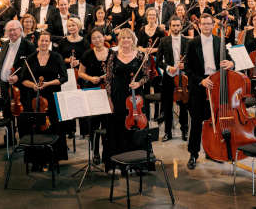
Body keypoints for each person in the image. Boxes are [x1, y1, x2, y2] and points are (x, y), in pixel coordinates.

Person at [185, 13, 233, 169]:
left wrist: (231, 63)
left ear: (213, 25)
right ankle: (193, 154)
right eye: (203, 24)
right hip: (200, 84)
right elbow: (187, 68)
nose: (206, 26)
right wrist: (201, 80)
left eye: (209, 24)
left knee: (214, 120)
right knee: (197, 121)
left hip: (217, 83)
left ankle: (211, 151)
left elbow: (231, 59)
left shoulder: (220, 41)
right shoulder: (193, 44)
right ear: (199, 26)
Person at [20, 32, 69, 169]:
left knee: (53, 127)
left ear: (50, 43)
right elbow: (23, 79)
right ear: (38, 42)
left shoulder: (56, 57)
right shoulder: (30, 59)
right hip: (35, 98)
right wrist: (33, 86)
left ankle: (53, 159)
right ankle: (36, 160)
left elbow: (64, 78)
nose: (44, 43)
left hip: (52, 96)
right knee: (36, 128)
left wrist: (48, 83)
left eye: (47, 41)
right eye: (42, 40)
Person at [102, 28, 148, 166]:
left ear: (133, 40)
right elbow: (108, 79)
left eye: (129, 37)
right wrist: (109, 99)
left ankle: (137, 163)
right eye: (123, 38)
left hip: (135, 98)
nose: (126, 40)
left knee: (135, 127)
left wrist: (139, 82)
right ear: (119, 40)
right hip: (117, 96)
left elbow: (146, 76)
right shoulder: (113, 55)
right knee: (117, 128)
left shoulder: (140, 55)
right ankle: (116, 162)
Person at [0, 20, 34, 143]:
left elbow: (32, 67)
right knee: (7, 113)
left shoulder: (28, 45)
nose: (12, 32)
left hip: (20, 87)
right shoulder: (5, 44)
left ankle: (24, 141)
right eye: (9, 30)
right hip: (4, 85)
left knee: (22, 114)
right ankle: (9, 139)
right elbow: (0, 64)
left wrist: (19, 77)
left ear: (20, 30)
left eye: (14, 29)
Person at [78, 28, 112, 164]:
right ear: (91, 41)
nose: (97, 40)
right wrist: (91, 78)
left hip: (108, 92)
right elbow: (80, 73)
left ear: (104, 38)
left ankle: (107, 152)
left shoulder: (112, 53)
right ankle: (95, 151)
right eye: (94, 38)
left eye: (99, 37)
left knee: (107, 123)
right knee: (93, 123)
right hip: (92, 90)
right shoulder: (87, 54)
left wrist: (107, 76)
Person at [158, 16, 190, 141]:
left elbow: (191, 60)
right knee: (167, 105)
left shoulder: (187, 41)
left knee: (183, 105)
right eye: (173, 26)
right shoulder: (164, 41)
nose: (176, 28)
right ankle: (167, 132)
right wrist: (167, 68)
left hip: (182, 77)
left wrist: (185, 65)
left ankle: (184, 130)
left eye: (178, 25)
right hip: (169, 77)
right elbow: (159, 62)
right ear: (170, 27)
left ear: (181, 26)